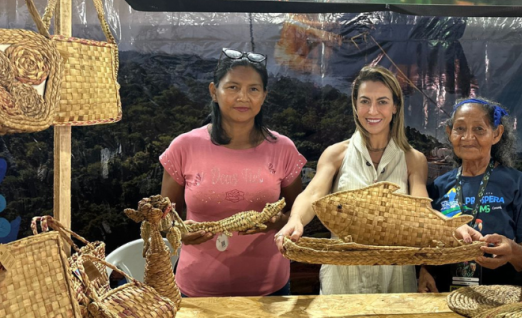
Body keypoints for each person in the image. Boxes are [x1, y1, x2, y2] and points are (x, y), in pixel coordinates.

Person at [160, 48, 306, 297]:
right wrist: (180, 231)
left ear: (264, 96)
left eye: (253, 89)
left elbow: (297, 213)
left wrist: (278, 222)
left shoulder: (283, 149)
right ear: (213, 91)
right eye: (233, 87)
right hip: (196, 291)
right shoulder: (184, 146)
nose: (243, 97)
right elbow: (164, 219)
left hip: (269, 290)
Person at [275, 65, 433, 294]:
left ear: (396, 106)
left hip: (395, 278)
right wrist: (296, 219)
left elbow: (422, 209)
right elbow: (313, 193)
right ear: (355, 104)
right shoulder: (335, 154)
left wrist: (452, 229)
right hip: (343, 279)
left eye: (382, 101)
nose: (372, 110)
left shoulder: (413, 159)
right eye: (365, 101)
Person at [418, 98, 522, 293]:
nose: (468, 137)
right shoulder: (438, 187)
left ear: (496, 134)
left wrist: (512, 251)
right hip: (448, 298)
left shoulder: (520, 184)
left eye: (479, 129)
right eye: (460, 128)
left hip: (507, 298)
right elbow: (428, 243)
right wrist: (425, 271)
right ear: (449, 132)